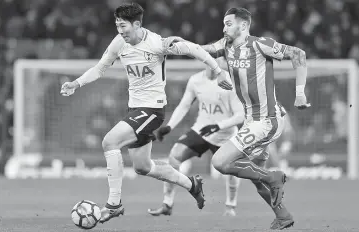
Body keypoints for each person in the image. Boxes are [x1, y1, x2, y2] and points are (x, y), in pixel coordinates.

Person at [60, 2, 229, 223]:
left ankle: (114, 204)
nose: (120, 31)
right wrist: (76, 83)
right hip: (135, 108)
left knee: (109, 142)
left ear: (137, 24)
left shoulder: (158, 43)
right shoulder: (119, 43)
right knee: (143, 166)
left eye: (124, 27)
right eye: (117, 26)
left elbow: (194, 49)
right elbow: (100, 68)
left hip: (152, 109)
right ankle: (191, 184)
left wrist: (218, 71)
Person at [199, 7, 310, 230]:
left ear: (243, 25)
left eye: (228, 23)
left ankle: (273, 177)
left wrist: (300, 93)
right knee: (254, 177)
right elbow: (202, 50)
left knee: (221, 162)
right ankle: (283, 216)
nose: (224, 28)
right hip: (252, 121)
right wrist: (170, 45)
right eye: (223, 23)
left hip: (267, 120)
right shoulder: (225, 46)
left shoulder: (260, 44)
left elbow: (298, 54)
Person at [147, 58, 244, 217]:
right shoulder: (196, 80)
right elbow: (184, 105)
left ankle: (230, 207)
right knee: (174, 157)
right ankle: (167, 204)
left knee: (232, 170)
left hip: (225, 135)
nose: (215, 67)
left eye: (219, 63)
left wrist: (218, 126)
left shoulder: (229, 83)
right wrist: (169, 126)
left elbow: (241, 116)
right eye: (212, 62)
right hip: (201, 130)